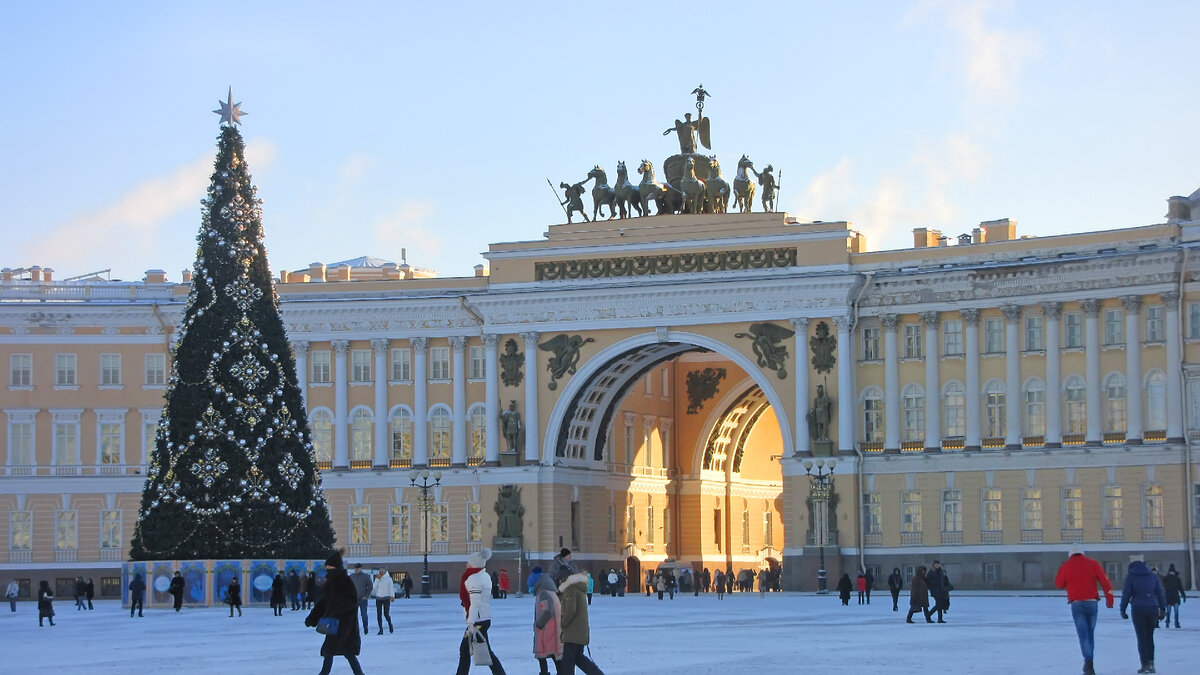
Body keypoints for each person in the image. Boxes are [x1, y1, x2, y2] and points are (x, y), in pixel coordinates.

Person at [1054, 543, 1115, 675]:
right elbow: (1105, 582)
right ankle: (1089, 662)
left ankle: (1088, 663)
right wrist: (1110, 601)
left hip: (1077, 604)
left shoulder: (1066, 566)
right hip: (1092, 603)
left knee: (1083, 636)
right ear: (1082, 553)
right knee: (1090, 634)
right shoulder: (1092, 563)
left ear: (1070, 554)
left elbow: (1059, 584)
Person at [305, 548, 364, 675]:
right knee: (335, 651)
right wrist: (313, 617)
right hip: (334, 623)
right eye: (327, 567)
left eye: (330, 567)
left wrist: (338, 610)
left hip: (345, 624)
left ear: (336, 567)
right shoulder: (331, 582)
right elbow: (324, 602)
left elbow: (352, 602)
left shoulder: (345, 581)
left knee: (339, 651)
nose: (328, 569)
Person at [457, 547, 506, 675]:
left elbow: (475, 602)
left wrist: (471, 622)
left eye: (469, 562)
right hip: (482, 619)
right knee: (482, 651)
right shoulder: (482, 576)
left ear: (474, 564)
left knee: (465, 650)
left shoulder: (474, 579)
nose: (466, 564)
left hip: (477, 621)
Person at [1120, 554, 1166, 674]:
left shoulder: (1131, 576)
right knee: (1150, 637)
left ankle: (1144, 664)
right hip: (1152, 608)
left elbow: (1126, 594)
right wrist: (1163, 608)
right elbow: (1160, 592)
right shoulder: (1152, 576)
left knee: (1141, 637)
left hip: (1138, 608)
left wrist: (1123, 609)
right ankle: (1151, 663)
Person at [559, 569, 606, 675]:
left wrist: (562, 623)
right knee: (578, 658)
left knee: (567, 661)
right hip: (580, 632)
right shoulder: (578, 589)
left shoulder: (570, 589)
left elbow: (571, 610)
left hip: (572, 633)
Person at [531, 563, 562, 675]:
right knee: (554, 654)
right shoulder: (551, 592)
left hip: (546, 631)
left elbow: (547, 611)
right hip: (553, 629)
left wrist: (539, 624)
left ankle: (544, 673)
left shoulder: (543, 593)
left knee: (543, 654)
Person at [349, 563, 372, 634]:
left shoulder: (365, 576)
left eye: (357, 568)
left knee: (364, 614)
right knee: (353, 615)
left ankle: (365, 627)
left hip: (363, 599)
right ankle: (354, 629)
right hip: (354, 599)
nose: (356, 570)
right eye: (355, 568)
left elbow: (370, 586)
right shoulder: (351, 576)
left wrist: (366, 595)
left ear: (360, 569)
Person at [1162, 564, 1186, 628]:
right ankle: (1176, 623)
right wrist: (1183, 596)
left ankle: (1167, 622)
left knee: (1168, 611)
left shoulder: (1165, 578)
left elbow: (1162, 587)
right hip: (1175, 597)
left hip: (1168, 597)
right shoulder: (1177, 578)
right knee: (1176, 612)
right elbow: (1180, 588)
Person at [373, 568, 394, 634]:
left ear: (385, 571)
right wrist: (377, 579)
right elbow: (374, 587)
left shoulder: (389, 579)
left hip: (386, 598)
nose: (381, 572)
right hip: (379, 598)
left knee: (386, 614)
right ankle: (380, 629)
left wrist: (392, 596)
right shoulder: (378, 578)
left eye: (382, 571)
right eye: (380, 571)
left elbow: (391, 588)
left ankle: (390, 624)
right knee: (379, 614)